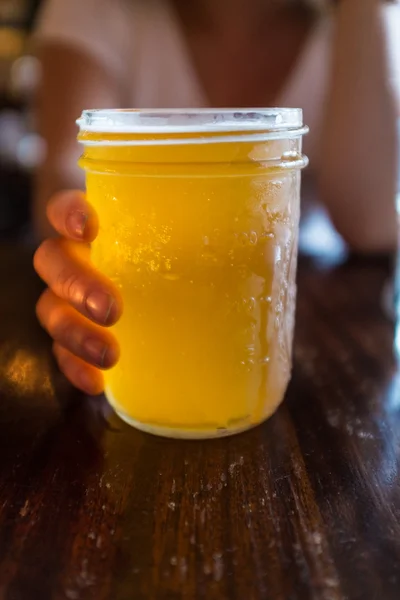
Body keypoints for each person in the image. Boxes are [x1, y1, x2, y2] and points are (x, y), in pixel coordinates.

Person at [32, 0, 400, 395]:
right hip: (150, 334)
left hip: (282, 341)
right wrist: (74, 250)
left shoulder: (353, 28)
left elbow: (371, 225)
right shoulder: (96, 9)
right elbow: (70, 168)